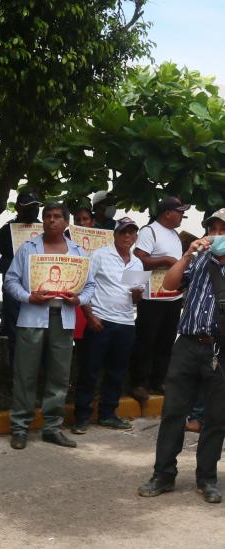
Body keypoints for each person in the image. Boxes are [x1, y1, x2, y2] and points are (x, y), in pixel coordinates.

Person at [137, 209, 225, 504]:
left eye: (224, 229)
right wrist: (187, 255)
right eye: (214, 229)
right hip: (187, 345)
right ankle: (163, 475)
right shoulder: (199, 259)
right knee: (174, 412)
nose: (218, 234)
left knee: (216, 418)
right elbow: (169, 285)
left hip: (220, 349)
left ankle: (207, 478)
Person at [4, 202, 95, 450]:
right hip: (32, 317)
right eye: (48, 216)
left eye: (57, 216)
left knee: (59, 375)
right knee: (25, 374)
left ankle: (52, 428)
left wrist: (79, 300)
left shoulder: (78, 253)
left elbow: (90, 286)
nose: (52, 220)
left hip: (63, 319)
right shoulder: (28, 248)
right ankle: (20, 427)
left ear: (66, 222)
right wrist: (28, 297)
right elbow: (10, 281)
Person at [72, 218, 144, 434]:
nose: (127, 237)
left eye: (131, 233)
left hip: (126, 323)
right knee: (90, 371)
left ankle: (108, 414)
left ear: (135, 237)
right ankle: (81, 417)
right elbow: (84, 287)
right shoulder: (100, 255)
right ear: (115, 234)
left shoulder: (137, 263)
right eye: (123, 233)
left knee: (117, 372)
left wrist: (138, 294)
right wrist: (89, 316)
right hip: (100, 321)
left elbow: (135, 300)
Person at [128, 196, 188, 403]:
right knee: (147, 340)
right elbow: (139, 260)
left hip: (172, 297)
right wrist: (166, 260)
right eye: (179, 212)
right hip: (151, 297)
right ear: (167, 213)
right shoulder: (149, 231)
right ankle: (139, 382)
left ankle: (158, 380)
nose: (182, 216)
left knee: (166, 340)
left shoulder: (174, 234)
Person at [0, 191, 43, 368]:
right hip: (14, 291)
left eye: (36, 206)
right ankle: (16, 373)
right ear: (18, 208)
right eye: (29, 207)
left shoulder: (45, 231)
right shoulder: (5, 231)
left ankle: (38, 372)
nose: (33, 210)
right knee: (15, 331)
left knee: (39, 331)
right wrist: (15, 263)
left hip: (40, 289)